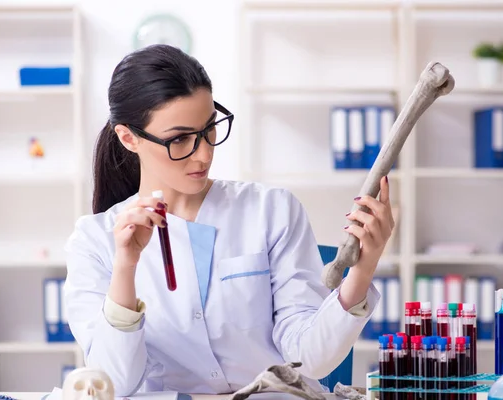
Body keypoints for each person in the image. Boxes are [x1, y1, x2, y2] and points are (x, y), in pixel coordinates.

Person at [63, 44, 395, 397]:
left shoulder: (271, 210)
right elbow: (114, 382)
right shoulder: (94, 241)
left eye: (209, 129)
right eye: (180, 139)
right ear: (129, 137)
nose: (204, 153)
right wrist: (126, 267)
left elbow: (309, 359)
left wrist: (362, 271)